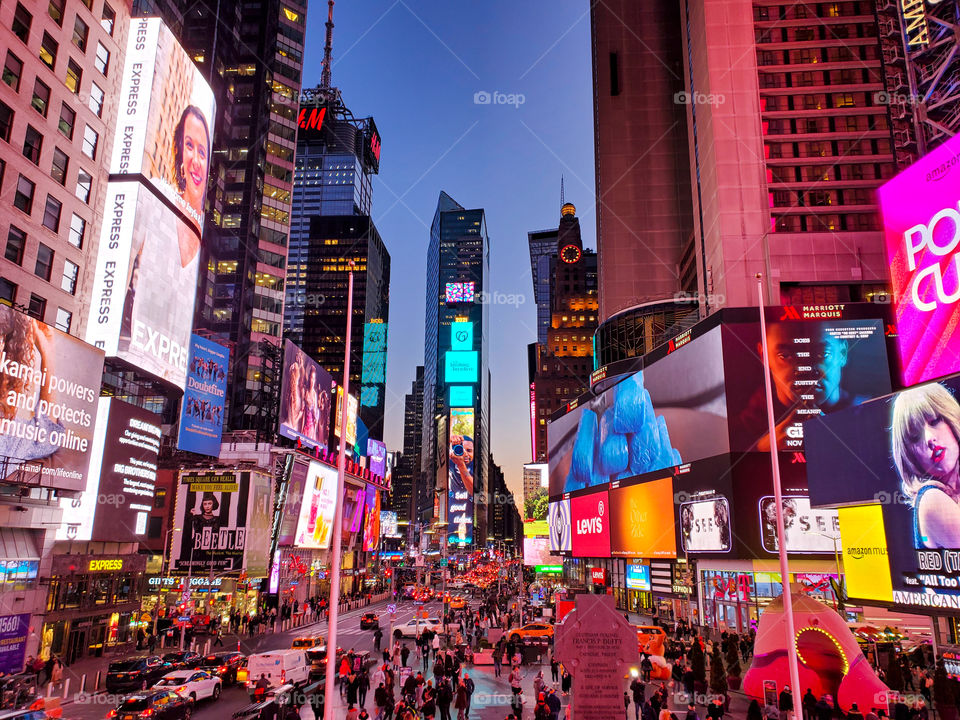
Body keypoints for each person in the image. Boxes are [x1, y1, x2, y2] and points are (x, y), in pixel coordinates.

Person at [891, 383, 960, 548]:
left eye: (935, 421)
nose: (929, 438)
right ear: (909, 455)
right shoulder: (931, 499)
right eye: (915, 436)